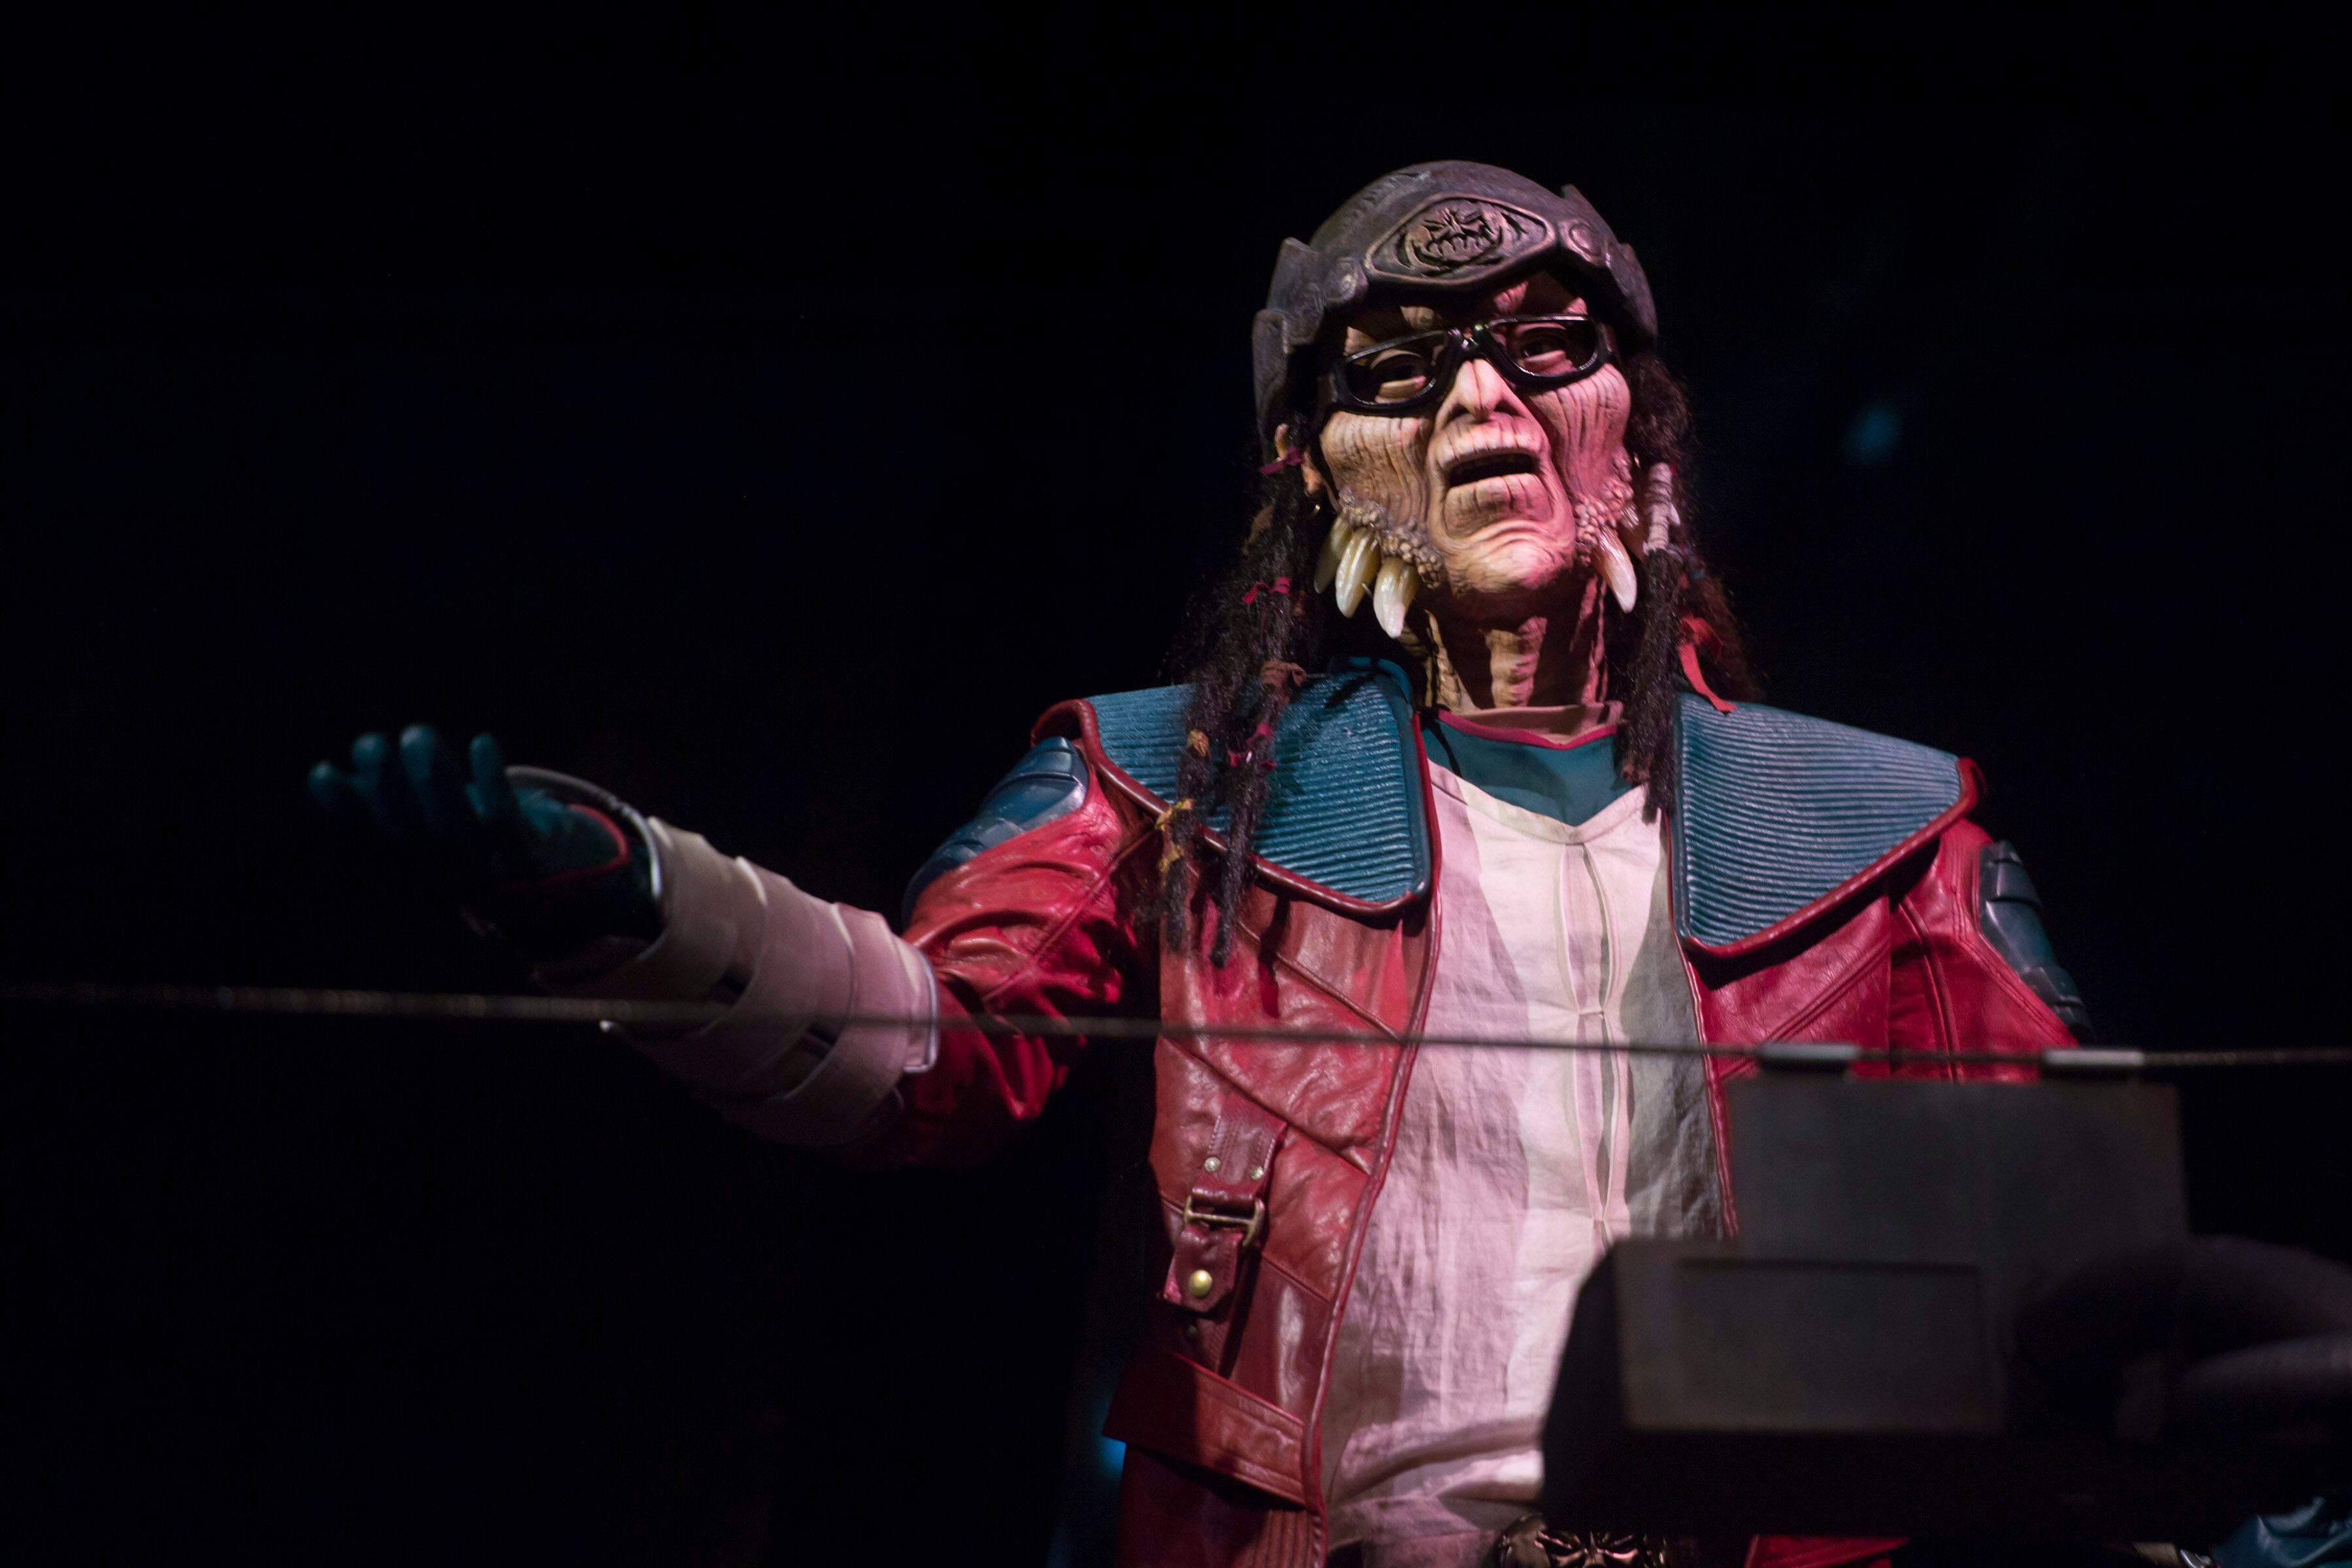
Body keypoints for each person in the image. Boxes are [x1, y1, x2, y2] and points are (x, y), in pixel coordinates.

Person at [312, 162, 2092, 1568]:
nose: (1482, 396)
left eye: (1547, 344)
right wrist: (636, 899)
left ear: (1640, 421)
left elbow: (2068, 1258)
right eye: (1396, 367)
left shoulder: (1884, 835)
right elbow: (932, 1053)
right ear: (1313, 470)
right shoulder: (1174, 788)